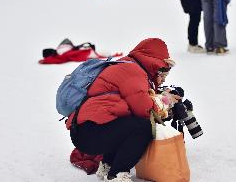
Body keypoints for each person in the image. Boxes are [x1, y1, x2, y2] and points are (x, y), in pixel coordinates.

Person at [66, 38, 177, 182]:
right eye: (162, 71)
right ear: (155, 63)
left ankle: (107, 166)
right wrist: (166, 103)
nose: (162, 77)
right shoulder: (133, 71)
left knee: (127, 124)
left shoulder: (127, 65)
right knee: (143, 127)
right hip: (90, 132)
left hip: (85, 130)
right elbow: (145, 109)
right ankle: (117, 174)